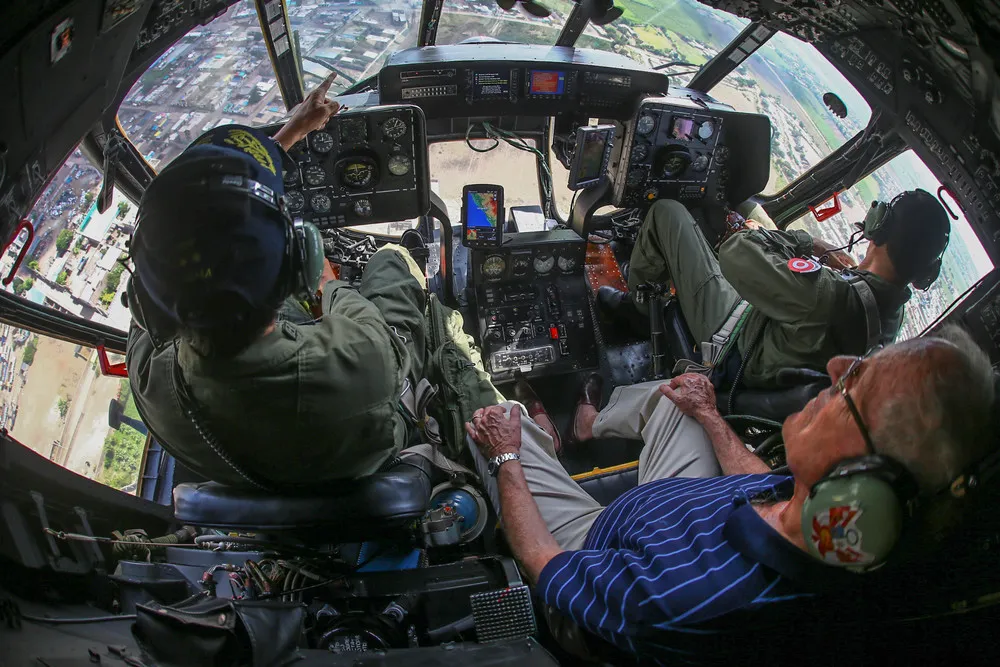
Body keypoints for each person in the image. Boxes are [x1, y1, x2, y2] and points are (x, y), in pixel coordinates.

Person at [464, 326, 995, 660]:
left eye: (856, 382)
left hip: (591, 553)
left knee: (496, 419)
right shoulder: (823, 511)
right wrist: (710, 416)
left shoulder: (695, 600)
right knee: (678, 402)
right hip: (665, 516)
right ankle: (588, 424)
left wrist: (507, 453)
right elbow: (756, 480)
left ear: (861, 482)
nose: (836, 367)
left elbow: (542, 561)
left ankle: (530, 435)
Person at [126, 74, 500, 487]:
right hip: (374, 451)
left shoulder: (149, 376)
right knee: (391, 263)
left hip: (276, 468)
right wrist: (328, 285)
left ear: (145, 302)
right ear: (301, 262)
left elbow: (171, 237)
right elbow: (373, 330)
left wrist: (293, 132)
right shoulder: (366, 360)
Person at [598, 192, 951, 387]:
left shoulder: (829, 295)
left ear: (879, 226)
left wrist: (807, 242)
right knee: (751, 206)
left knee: (667, 211)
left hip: (732, 340)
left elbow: (734, 252)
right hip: (773, 348)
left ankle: (640, 309)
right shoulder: (890, 315)